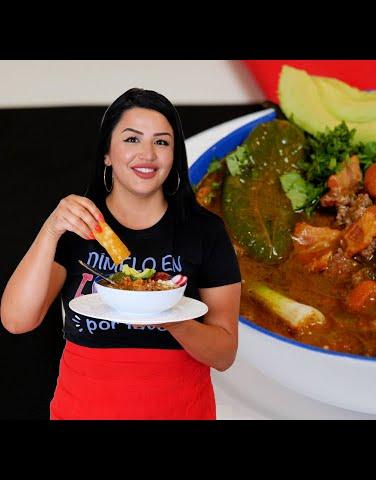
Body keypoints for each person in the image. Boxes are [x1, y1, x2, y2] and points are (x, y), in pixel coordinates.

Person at [0, 88, 241, 420]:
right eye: (131, 139)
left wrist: (172, 318)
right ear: (107, 154)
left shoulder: (204, 231)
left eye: (161, 142)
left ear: (174, 156)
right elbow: (16, 320)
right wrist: (51, 228)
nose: (147, 154)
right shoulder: (78, 226)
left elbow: (224, 354)